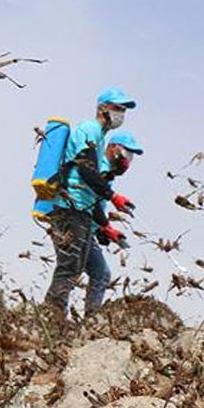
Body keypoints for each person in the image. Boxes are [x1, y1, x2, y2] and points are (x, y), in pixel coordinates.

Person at [42, 87, 138, 314]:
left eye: (123, 110)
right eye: (117, 108)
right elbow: (86, 169)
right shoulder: (90, 129)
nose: (120, 114)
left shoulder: (100, 137)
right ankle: (51, 315)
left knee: (84, 269)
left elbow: (92, 195)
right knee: (70, 266)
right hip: (70, 206)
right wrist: (113, 197)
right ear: (102, 108)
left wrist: (105, 227)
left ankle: (77, 317)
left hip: (80, 210)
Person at [82, 131, 143, 316]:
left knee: (100, 273)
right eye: (126, 153)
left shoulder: (107, 174)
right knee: (73, 269)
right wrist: (106, 224)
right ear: (112, 148)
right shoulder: (99, 168)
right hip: (77, 221)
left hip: (88, 226)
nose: (127, 161)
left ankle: (90, 318)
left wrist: (103, 230)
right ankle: (56, 314)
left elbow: (94, 205)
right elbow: (87, 199)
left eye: (130, 157)